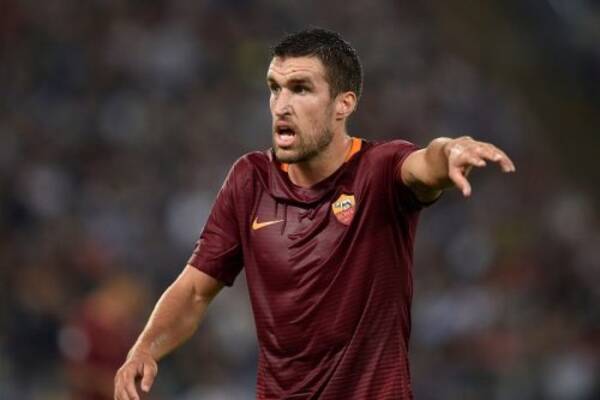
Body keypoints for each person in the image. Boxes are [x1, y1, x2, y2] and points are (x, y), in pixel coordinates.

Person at [114, 28, 515, 400]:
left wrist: (450, 150)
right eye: (275, 88)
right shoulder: (250, 179)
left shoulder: (377, 169)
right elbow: (194, 290)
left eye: (301, 89)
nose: (282, 105)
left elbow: (424, 163)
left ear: (344, 104)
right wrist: (144, 348)